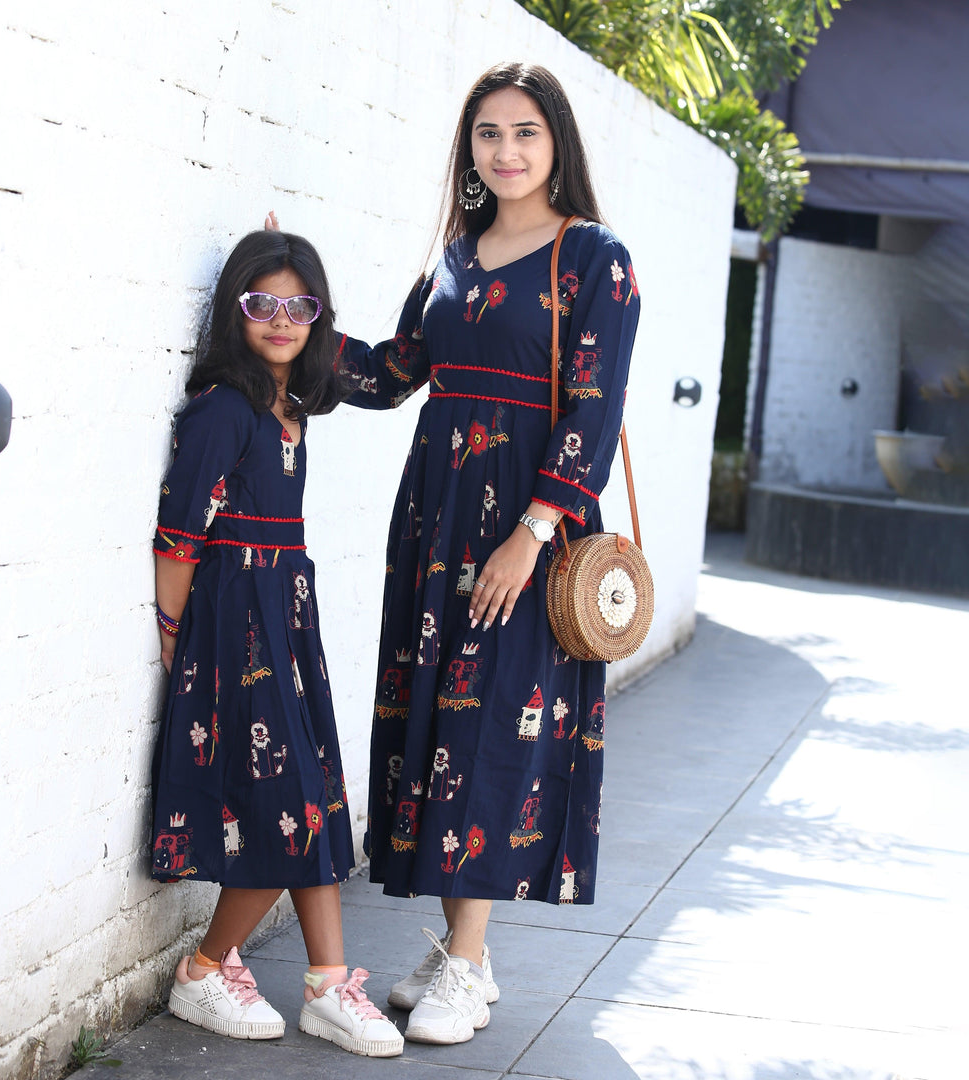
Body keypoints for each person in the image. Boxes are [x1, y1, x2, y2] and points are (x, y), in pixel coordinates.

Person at [335, 61, 641, 1044]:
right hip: (436, 525)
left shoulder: (593, 258)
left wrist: (534, 530)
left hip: (526, 530)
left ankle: (465, 964)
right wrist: (285, 307)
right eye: (487, 135)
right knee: (433, 725)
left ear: (556, 144)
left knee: (489, 731)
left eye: (525, 133)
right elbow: (389, 377)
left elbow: (595, 411)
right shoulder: (455, 259)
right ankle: (462, 946)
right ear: (467, 151)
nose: (505, 152)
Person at [149, 229, 403, 1057]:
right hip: (234, 620)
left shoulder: (292, 407)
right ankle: (204, 970)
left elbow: (395, 375)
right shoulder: (223, 409)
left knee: (320, 794)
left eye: (301, 306)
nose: (282, 320)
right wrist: (172, 637)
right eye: (263, 304)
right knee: (291, 810)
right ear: (236, 310)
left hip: (287, 612)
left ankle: (329, 983)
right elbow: (179, 536)